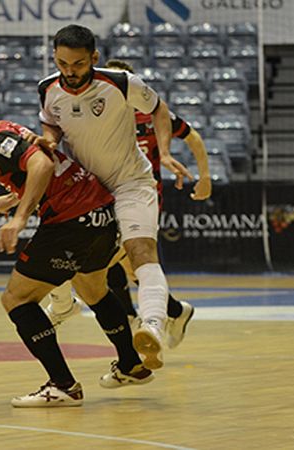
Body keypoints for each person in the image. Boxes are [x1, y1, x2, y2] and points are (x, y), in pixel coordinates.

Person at [0, 105, 154, 407]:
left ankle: (63, 385)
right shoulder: (0, 133)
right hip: (100, 214)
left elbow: (42, 166)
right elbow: (50, 171)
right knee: (93, 289)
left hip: (71, 221)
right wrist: (14, 197)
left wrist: (19, 218)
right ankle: (131, 365)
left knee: (16, 299)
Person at [23, 25, 195, 370]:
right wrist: (50, 140)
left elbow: (159, 109)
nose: (70, 72)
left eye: (78, 64)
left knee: (140, 252)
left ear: (94, 58)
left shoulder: (119, 82)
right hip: (87, 190)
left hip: (132, 182)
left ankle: (152, 325)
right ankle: (167, 313)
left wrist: (165, 150)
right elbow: (50, 123)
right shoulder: (47, 88)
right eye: (62, 63)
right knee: (77, 258)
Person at [47, 59, 211, 350]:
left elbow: (193, 136)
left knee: (122, 261)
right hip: (102, 192)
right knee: (124, 266)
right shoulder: (99, 114)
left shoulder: (151, 114)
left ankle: (141, 320)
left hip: (141, 191)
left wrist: (204, 176)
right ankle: (170, 312)